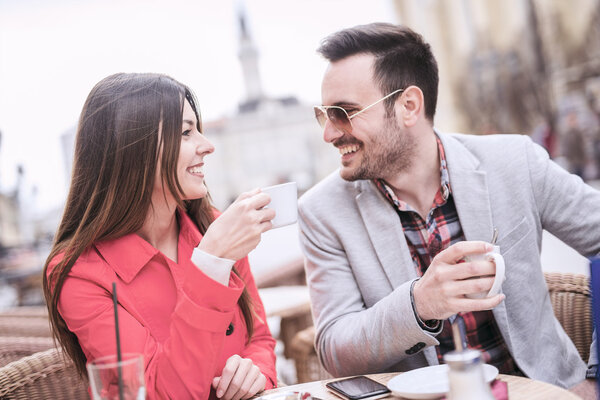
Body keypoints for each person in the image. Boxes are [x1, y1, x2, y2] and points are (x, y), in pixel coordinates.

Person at [298, 22, 600, 397]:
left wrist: (595, 377)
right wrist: (419, 304)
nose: (329, 133)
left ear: (409, 106)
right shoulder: (320, 211)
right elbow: (334, 349)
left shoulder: (514, 161)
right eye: (324, 114)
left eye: (344, 112)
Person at [43, 73, 277, 400]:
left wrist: (257, 371)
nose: (207, 145)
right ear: (132, 151)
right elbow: (156, 393)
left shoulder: (214, 227)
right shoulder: (78, 274)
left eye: (198, 129)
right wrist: (210, 264)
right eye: (185, 132)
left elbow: (260, 339)